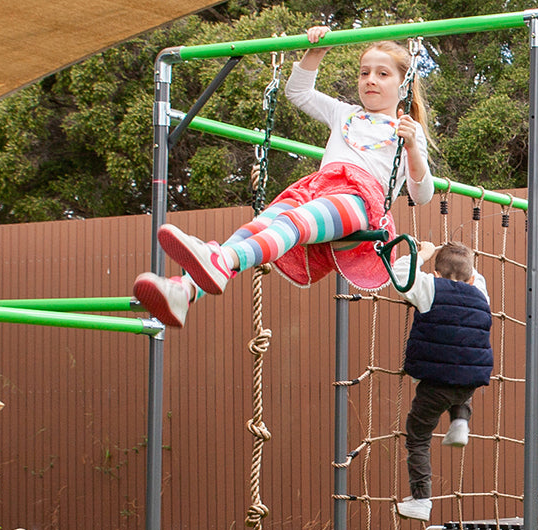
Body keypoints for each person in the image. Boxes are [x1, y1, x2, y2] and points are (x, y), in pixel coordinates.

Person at [133, 25, 434, 326]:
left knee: (293, 221)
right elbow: (298, 92)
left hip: (359, 203)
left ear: (404, 85)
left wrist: (411, 148)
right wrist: (313, 54)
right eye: (364, 72)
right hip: (317, 190)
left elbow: (422, 195)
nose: (370, 80)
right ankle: (184, 291)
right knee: (259, 224)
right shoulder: (344, 113)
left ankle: (221, 260)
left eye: (382, 74)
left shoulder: (408, 130)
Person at [388, 241, 492, 521]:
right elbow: (473, 276)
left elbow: (399, 276)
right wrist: (466, 263)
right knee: (461, 368)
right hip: (469, 382)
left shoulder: (429, 287)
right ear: (472, 277)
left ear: (435, 274)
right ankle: (460, 421)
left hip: (435, 384)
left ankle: (421, 499)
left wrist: (421, 254)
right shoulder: (480, 293)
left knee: (418, 436)